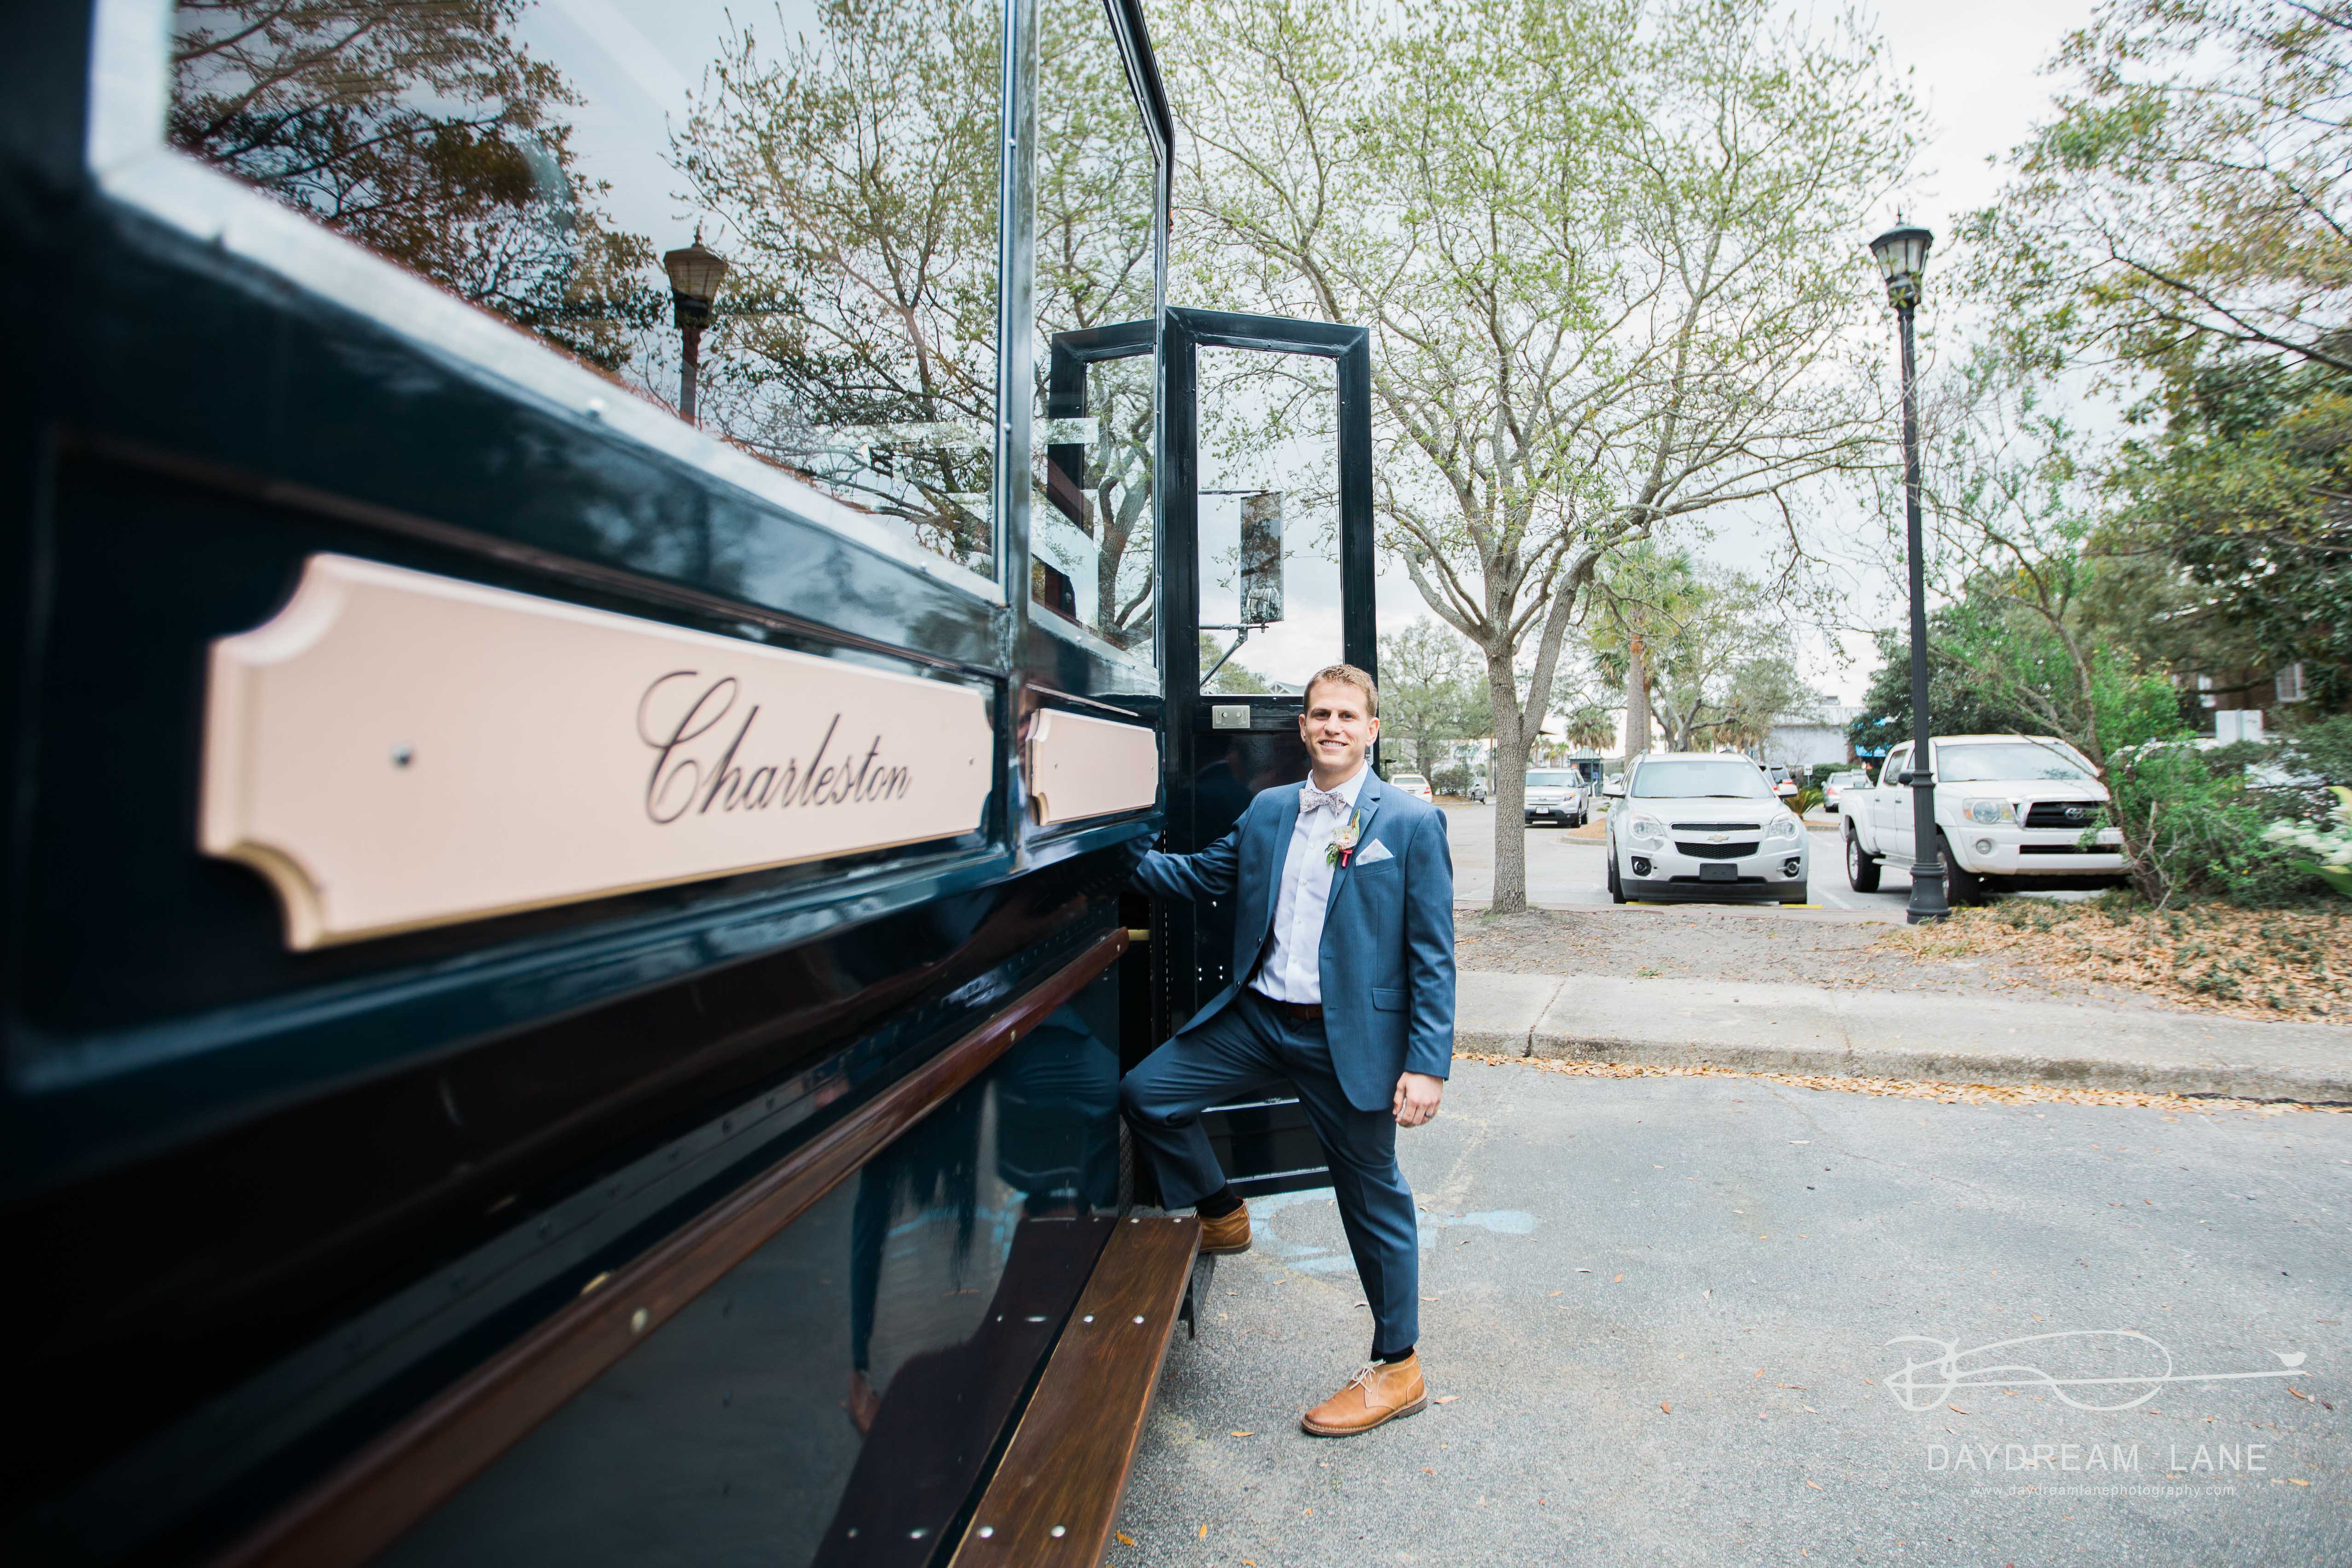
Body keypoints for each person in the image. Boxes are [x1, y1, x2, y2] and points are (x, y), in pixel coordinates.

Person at [1121, 663, 1455, 1436]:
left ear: (1371, 730)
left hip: (1349, 1039)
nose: (1332, 726)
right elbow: (1201, 875)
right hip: (1259, 1017)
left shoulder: (1409, 823)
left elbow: (1433, 956)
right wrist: (1109, 852)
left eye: (1347, 715)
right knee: (1148, 1094)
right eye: (1319, 714)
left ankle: (1398, 1364)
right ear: (1301, 728)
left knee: (1371, 1197)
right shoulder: (1271, 808)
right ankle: (1221, 1210)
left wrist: (1426, 1064)